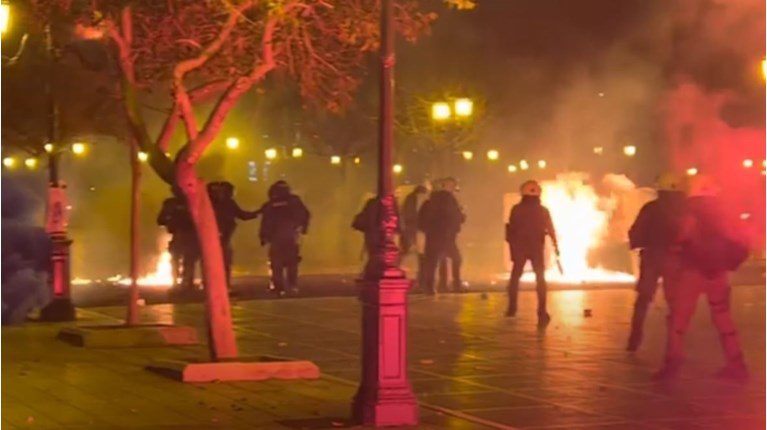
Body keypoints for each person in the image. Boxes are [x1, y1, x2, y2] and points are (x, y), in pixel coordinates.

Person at [654, 175, 750, 380]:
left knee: (679, 320)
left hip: (693, 272)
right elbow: (739, 239)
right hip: (718, 273)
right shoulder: (723, 213)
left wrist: (674, 253)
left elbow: (683, 237)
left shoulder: (692, 211)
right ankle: (736, 363)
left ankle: (673, 362)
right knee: (722, 317)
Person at [626, 173, 686, 351]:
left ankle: (635, 336)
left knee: (643, 299)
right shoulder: (686, 209)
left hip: (652, 257)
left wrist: (638, 243)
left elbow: (636, 232)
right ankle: (675, 339)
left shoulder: (651, 208)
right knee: (675, 301)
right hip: (676, 258)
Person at [505, 180, 558, 326]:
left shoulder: (516, 209)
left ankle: (511, 308)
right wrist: (556, 245)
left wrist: (513, 247)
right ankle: (542, 312)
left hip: (520, 248)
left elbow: (511, 230)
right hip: (536, 248)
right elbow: (551, 229)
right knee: (540, 279)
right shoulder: (543, 210)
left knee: (515, 277)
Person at [259, 180, 310, 297]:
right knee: (292, 262)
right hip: (291, 236)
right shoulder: (294, 201)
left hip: (276, 238)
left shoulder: (271, 204)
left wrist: (263, 236)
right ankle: (292, 285)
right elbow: (305, 214)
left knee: (276, 263)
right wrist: (303, 229)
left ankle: (279, 287)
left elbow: (266, 221)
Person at [207, 181, 261, 288]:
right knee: (223, 261)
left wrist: (257, 213)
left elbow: (242, 215)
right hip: (220, 238)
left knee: (215, 261)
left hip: (217, 238)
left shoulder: (221, 203)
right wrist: (258, 212)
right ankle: (222, 284)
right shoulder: (227, 203)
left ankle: (215, 284)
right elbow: (243, 215)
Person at [418, 177, 466, 294]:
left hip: (432, 236)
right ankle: (456, 285)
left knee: (432, 262)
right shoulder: (449, 200)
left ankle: (429, 287)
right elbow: (455, 216)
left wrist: (427, 230)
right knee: (456, 259)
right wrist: (461, 217)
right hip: (446, 236)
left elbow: (421, 220)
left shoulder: (429, 202)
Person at [157, 187, 199, 290]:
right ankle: (183, 282)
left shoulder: (192, 202)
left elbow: (161, 220)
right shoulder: (172, 203)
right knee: (184, 259)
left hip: (187, 235)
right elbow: (160, 220)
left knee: (185, 259)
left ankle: (183, 282)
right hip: (183, 235)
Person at [401, 182, 430, 289]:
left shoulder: (409, 199)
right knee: (421, 256)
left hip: (411, 229)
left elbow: (405, 213)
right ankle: (421, 280)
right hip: (421, 230)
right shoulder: (426, 199)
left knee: (408, 253)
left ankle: (409, 277)